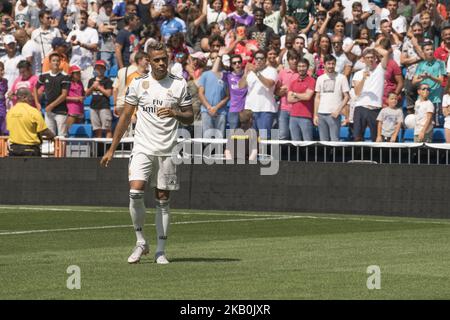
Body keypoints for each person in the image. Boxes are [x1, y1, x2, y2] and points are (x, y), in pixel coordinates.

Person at [100, 42, 194, 265]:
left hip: (168, 149)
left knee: (163, 198)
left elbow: (190, 116)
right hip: (142, 146)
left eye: (164, 59)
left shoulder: (179, 84)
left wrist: (175, 113)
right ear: (148, 62)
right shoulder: (138, 84)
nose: (162, 63)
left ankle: (161, 250)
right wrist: (112, 148)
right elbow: (125, 117)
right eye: (157, 60)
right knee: (135, 192)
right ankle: (141, 241)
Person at [352, 46, 389, 141]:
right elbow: (357, 92)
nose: (370, 59)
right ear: (363, 60)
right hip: (360, 107)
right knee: (358, 138)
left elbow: (386, 53)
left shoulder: (380, 69)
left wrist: (373, 47)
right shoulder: (358, 74)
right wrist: (363, 78)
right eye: (367, 57)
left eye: (372, 57)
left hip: (375, 108)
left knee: (376, 138)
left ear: (375, 58)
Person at [239, 50, 278, 139]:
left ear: (265, 60)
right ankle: (253, 153)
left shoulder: (272, 71)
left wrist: (256, 72)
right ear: (254, 60)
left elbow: (269, 84)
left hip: (265, 109)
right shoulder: (250, 72)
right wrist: (245, 73)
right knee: (250, 137)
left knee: (264, 138)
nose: (259, 60)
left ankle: (263, 153)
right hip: (250, 110)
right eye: (257, 58)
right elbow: (241, 86)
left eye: (261, 58)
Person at [6, 88, 55, 157]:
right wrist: (53, 136)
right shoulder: (33, 111)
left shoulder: (10, 112)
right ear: (24, 97)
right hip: (31, 150)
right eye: (30, 97)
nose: (32, 99)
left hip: (14, 150)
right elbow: (44, 130)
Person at [314, 54, 350, 141]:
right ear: (324, 64)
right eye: (329, 63)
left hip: (334, 115)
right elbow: (317, 98)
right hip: (321, 114)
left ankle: (334, 155)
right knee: (323, 141)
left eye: (333, 64)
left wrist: (338, 110)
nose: (331, 66)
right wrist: (315, 115)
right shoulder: (320, 78)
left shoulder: (342, 77)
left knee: (335, 140)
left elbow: (347, 97)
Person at [34, 52, 70, 136]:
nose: (56, 63)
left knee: (62, 136)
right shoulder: (44, 75)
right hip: (48, 111)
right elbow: (35, 87)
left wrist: (51, 106)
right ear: (50, 62)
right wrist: (37, 103)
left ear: (60, 62)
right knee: (49, 136)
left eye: (57, 61)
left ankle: (61, 150)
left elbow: (64, 95)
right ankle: (51, 150)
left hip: (61, 111)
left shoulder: (65, 76)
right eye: (53, 61)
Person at [413, 39, 445, 128]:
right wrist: (421, 78)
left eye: (431, 49)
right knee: (422, 124)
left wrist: (430, 76)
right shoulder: (420, 65)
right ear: (423, 52)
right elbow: (414, 81)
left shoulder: (440, 63)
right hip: (423, 99)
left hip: (436, 99)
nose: (430, 51)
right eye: (427, 50)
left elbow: (442, 81)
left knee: (435, 124)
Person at [198, 51, 229, 138]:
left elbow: (228, 96)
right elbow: (200, 93)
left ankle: (219, 152)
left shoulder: (225, 75)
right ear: (210, 60)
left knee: (219, 139)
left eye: (217, 57)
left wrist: (216, 108)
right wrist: (209, 108)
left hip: (220, 112)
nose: (215, 59)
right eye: (212, 58)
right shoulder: (205, 74)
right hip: (206, 111)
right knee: (207, 139)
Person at [287, 58, 315, 141]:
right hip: (293, 116)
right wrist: (302, 96)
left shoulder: (311, 80)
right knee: (295, 142)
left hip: (306, 116)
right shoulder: (293, 82)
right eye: (299, 66)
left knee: (307, 142)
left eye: (303, 66)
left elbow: (308, 97)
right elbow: (289, 99)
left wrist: (295, 94)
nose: (301, 68)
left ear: (307, 67)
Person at [85, 60, 113, 138]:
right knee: (97, 129)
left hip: (104, 106)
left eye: (101, 68)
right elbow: (86, 94)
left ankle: (108, 148)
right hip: (93, 107)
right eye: (97, 68)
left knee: (107, 128)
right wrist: (92, 87)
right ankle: (99, 148)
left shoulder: (108, 81)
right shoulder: (91, 80)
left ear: (104, 69)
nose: (99, 70)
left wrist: (99, 87)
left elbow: (109, 94)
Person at [66, 65, 85, 131]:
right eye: (77, 73)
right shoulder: (68, 83)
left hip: (80, 110)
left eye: (79, 73)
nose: (79, 74)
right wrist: (76, 99)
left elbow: (83, 94)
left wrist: (83, 97)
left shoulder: (80, 83)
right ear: (72, 74)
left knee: (79, 132)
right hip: (71, 110)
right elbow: (64, 97)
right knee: (68, 130)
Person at [0, 61, 7, 135]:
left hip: (3, 113)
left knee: (5, 134)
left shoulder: (5, 82)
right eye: (0, 70)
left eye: (2, 70)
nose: (2, 72)